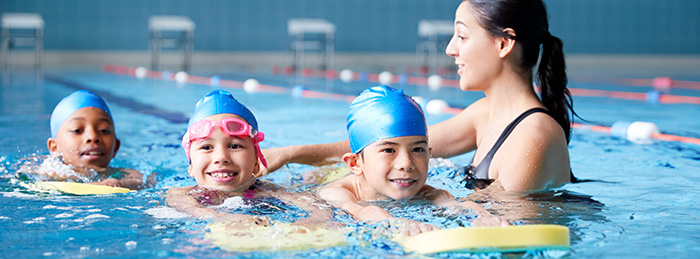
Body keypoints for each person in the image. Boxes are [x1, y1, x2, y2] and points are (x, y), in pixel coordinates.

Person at [261, 0, 576, 193]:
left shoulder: (534, 136)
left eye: (462, 36)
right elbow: (379, 146)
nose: (450, 49)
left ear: (504, 44)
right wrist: (288, 155)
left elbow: (497, 225)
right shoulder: (486, 113)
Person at [316, 85, 507, 236]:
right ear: (355, 164)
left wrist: (482, 215)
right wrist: (391, 222)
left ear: (429, 153)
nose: (406, 163)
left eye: (418, 149)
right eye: (388, 150)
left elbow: (451, 203)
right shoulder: (335, 193)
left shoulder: (425, 193)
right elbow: (359, 212)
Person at [165, 90, 332, 226]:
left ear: (255, 163)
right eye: (206, 147)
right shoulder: (182, 194)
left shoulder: (268, 191)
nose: (221, 157)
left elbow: (319, 209)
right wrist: (224, 218)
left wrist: (311, 222)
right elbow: (195, 211)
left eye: (234, 146)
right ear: (191, 167)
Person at [23, 90, 153, 190]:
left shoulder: (121, 174)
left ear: (116, 147)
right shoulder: (48, 170)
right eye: (77, 130)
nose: (93, 137)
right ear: (54, 147)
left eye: (104, 130)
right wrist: (39, 177)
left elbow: (146, 181)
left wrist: (119, 183)